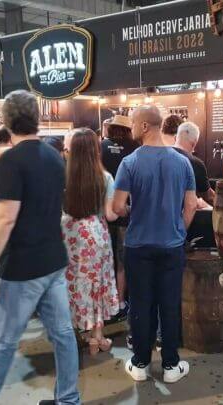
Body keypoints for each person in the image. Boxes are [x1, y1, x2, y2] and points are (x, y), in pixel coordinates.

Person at [0, 90, 80, 405]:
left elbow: (5, 218)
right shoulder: (54, 156)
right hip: (53, 260)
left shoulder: (12, 160)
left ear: (6, 121)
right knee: (63, 335)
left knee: (2, 341)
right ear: (37, 117)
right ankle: (69, 399)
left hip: (23, 266)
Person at [112, 105, 197, 383]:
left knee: (141, 304)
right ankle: (171, 365)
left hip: (138, 246)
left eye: (133, 123)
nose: (131, 128)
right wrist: (178, 230)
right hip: (171, 246)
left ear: (145, 126)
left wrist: (133, 211)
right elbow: (191, 205)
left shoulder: (129, 163)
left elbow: (117, 206)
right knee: (169, 304)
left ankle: (140, 364)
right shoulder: (182, 162)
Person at [63, 128, 119, 355]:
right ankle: (97, 337)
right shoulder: (105, 178)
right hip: (96, 234)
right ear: (96, 150)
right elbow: (111, 214)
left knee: (74, 284)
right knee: (97, 284)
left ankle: (78, 331)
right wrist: (124, 208)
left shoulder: (64, 176)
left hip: (69, 233)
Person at [101, 114, 139, 320]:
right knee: (123, 260)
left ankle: (108, 301)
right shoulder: (134, 148)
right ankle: (122, 301)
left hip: (105, 211)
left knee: (108, 259)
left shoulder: (102, 146)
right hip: (126, 209)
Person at [172, 121, 215, 205]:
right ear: (194, 143)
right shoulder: (196, 163)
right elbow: (208, 196)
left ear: (175, 138)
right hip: (184, 211)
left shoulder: (161, 157)